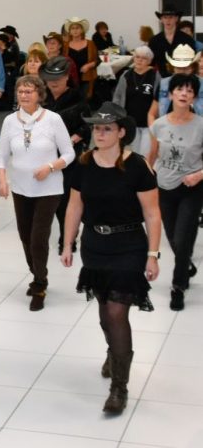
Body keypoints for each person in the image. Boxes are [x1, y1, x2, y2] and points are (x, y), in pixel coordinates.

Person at [60, 101, 161, 414]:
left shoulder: (137, 166)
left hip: (129, 245)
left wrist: (153, 254)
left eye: (106, 128)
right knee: (106, 313)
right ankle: (114, 353)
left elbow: (152, 213)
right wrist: (67, 243)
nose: (99, 133)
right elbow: (74, 206)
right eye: (96, 128)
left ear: (121, 132)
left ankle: (120, 387)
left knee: (117, 313)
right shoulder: (84, 163)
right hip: (94, 245)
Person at [0, 75, 75, 311]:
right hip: (21, 189)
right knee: (24, 236)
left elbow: (69, 154)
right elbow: (1, 155)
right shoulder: (10, 121)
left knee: (39, 238)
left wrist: (50, 167)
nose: (24, 95)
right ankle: (37, 273)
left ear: (39, 94)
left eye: (29, 91)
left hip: (48, 188)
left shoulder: (53, 120)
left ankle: (40, 283)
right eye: (20, 91)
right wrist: (2, 179)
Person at [150, 74, 203, 311]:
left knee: (184, 238)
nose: (184, 94)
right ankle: (186, 264)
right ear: (170, 94)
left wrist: (198, 175)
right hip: (164, 186)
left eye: (189, 91)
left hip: (191, 187)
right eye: (179, 89)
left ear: (193, 97)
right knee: (172, 237)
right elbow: (153, 155)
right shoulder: (159, 124)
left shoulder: (201, 125)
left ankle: (178, 286)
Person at [40, 57, 91, 254]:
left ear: (67, 77)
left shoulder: (78, 98)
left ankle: (67, 238)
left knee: (66, 201)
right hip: (43, 156)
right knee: (45, 201)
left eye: (59, 77)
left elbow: (86, 126)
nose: (54, 82)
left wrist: (71, 140)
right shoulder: (42, 98)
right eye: (50, 78)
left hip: (68, 157)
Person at [113, 46, 159, 157]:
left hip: (149, 123)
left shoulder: (155, 76)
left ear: (149, 61)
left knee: (146, 153)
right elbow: (117, 97)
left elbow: (159, 99)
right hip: (131, 122)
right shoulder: (126, 75)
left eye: (144, 58)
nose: (139, 60)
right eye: (137, 57)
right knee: (135, 153)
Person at [147, 45, 203, 134]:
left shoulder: (201, 85)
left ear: (192, 67)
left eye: (185, 68)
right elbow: (152, 114)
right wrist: (156, 135)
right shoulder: (164, 84)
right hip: (167, 135)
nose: (181, 71)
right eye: (178, 67)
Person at [150, 5, 197, 76]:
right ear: (161, 20)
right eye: (165, 17)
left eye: (171, 17)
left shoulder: (187, 39)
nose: (168, 20)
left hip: (183, 77)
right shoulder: (154, 40)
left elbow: (193, 61)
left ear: (176, 19)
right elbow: (151, 63)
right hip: (162, 78)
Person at [63, 17, 98, 99]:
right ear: (70, 31)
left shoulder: (90, 44)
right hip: (70, 80)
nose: (75, 30)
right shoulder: (66, 46)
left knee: (84, 100)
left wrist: (88, 66)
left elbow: (98, 60)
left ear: (82, 30)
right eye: (72, 28)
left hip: (86, 78)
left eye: (77, 28)